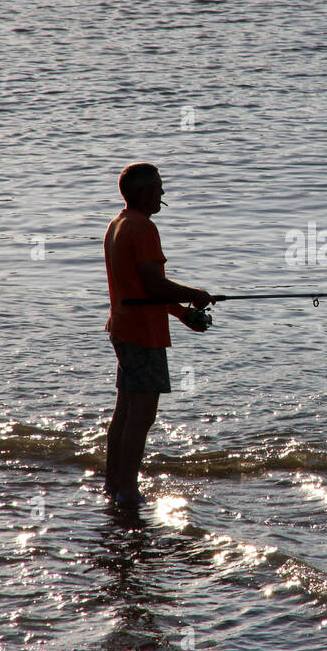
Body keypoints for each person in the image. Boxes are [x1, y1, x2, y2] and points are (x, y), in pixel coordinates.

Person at [103, 163, 212, 507]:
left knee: (124, 412)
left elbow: (141, 290)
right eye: (159, 187)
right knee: (141, 416)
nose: (163, 193)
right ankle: (129, 491)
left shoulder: (117, 224)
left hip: (123, 326)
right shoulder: (143, 228)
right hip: (142, 333)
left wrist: (181, 313)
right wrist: (194, 293)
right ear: (144, 193)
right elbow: (154, 285)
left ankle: (113, 484)